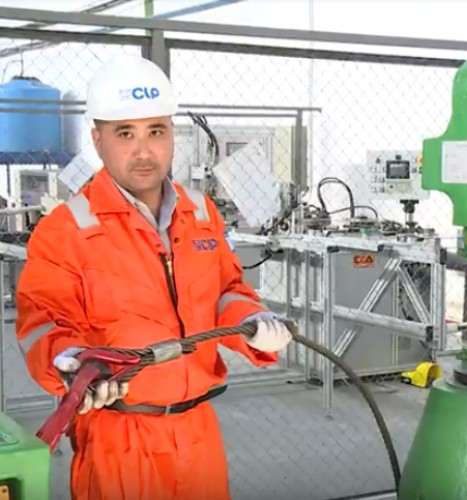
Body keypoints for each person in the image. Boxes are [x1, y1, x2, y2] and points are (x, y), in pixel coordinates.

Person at [14, 54, 292, 500]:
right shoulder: (66, 229)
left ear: (172, 135)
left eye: (156, 131)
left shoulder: (200, 213)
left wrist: (252, 322)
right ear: (98, 140)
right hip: (118, 442)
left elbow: (226, 290)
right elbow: (43, 322)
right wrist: (71, 361)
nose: (144, 151)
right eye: (125, 133)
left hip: (198, 434)